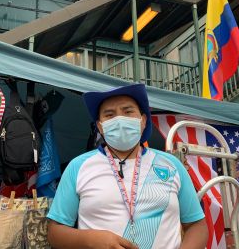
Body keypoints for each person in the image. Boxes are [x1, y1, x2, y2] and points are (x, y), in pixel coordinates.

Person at [47, 84, 208, 249]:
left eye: (128, 111)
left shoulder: (172, 165)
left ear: (143, 120)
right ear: (100, 126)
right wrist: (90, 239)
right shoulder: (78, 167)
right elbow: (54, 232)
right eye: (109, 115)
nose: (119, 119)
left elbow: (196, 225)